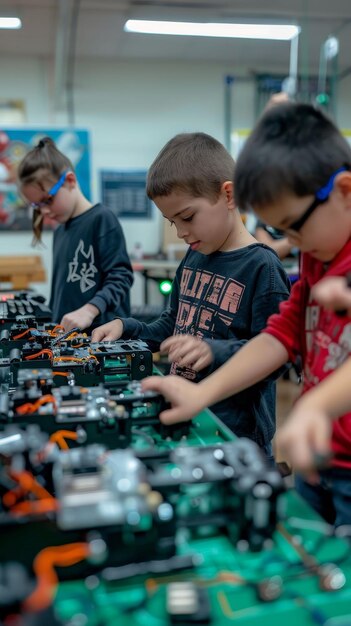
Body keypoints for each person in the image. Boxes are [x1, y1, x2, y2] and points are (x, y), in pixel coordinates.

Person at [142, 103, 351, 527]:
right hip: (319, 455)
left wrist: (315, 408)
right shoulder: (317, 256)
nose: (289, 245)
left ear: (344, 191)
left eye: (293, 227)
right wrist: (201, 394)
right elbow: (280, 335)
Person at [92, 132, 291, 458]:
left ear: (228, 194)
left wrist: (214, 350)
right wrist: (126, 329)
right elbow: (174, 324)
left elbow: (275, 357)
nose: (181, 232)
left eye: (187, 217)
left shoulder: (262, 267)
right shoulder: (194, 255)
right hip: (188, 414)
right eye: (172, 223)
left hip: (236, 436)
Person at [18, 137, 133, 332]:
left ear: (70, 181)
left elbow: (121, 277)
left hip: (102, 341)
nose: (44, 211)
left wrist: (89, 310)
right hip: (67, 341)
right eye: (37, 206)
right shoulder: (60, 230)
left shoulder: (101, 219)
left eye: (47, 200)